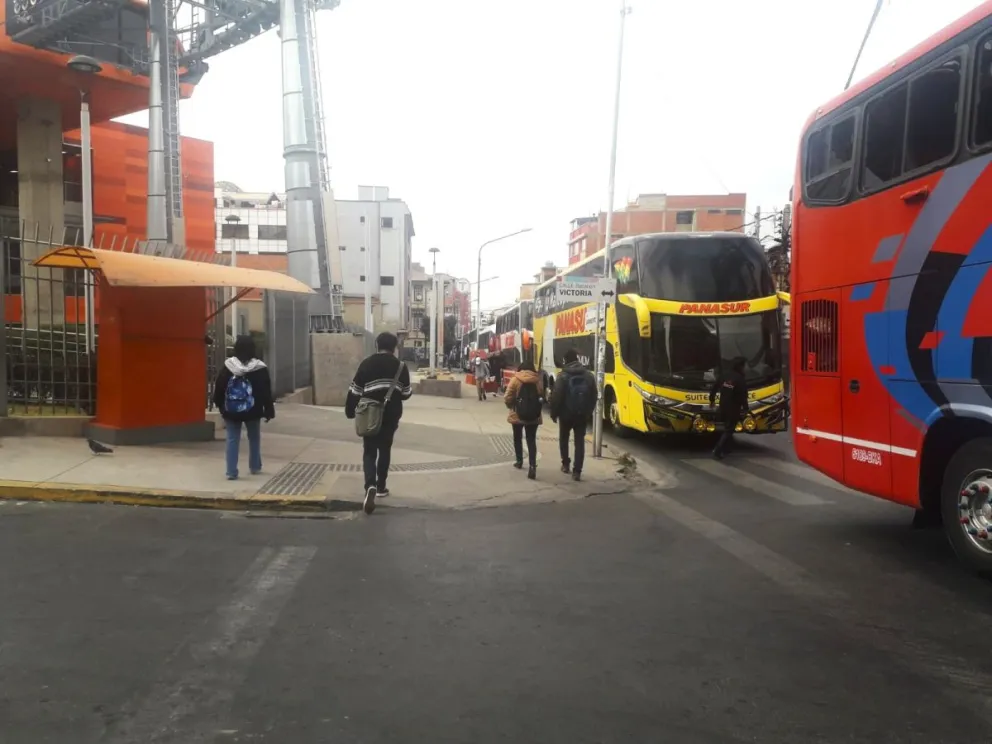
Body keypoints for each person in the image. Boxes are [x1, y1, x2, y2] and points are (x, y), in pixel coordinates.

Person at [345, 332, 413, 514]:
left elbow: (355, 391)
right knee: (385, 448)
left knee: (369, 450)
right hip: (391, 414)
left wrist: (350, 411)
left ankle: (370, 486)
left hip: (370, 414)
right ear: (394, 348)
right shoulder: (401, 367)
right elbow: (406, 393)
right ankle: (381, 486)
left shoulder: (366, 364)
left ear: (376, 345)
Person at [212, 335, 275, 480]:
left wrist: (220, 405)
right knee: (254, 437)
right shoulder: (259, 368)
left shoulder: (229, 366)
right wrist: (268, 410)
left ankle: (231, 472)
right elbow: (266, 391)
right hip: (253, 410)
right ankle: (254, 466)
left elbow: (220, 387)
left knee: (232, 439)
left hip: (232, 409)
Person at [549, 348, 597, 481]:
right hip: (581, 415)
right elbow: (594, 396)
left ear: (566, 361)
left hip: (565, 415)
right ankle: (577, 471)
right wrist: (588, 412)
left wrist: (554, 413)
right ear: (577, 359)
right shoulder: (588, 375)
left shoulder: (562, 376)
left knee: (564, 439)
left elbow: (556, 396)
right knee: (579, 442)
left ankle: (565, 464)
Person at [503, 359, 545, 479]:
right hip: (533, 415)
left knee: (517, 438)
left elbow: (507, 397)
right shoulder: (538, 381)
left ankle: (519, 461)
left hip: (517, 414)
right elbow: (542, 397)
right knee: (531, 440)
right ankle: (532, 466)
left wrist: (511, 406)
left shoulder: (516, 379)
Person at [709, 356, 750, 460]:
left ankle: (727, 448)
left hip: (722, 406)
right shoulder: (740, 379)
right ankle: (717, 450)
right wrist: (746, 409)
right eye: (745, 366)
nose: (746, 368)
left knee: (727, 427)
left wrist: (712, 400)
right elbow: (743, 396)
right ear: (740, 366)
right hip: (733, 408)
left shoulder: (724, 375)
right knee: (729, 429)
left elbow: (714, 387)